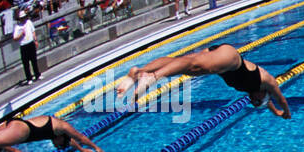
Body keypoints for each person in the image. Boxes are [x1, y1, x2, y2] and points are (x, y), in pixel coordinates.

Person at [116, 43, 291, 118]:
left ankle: (139, 72)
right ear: (265, 94)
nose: (253, 101)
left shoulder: (256, 93)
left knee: (183, 66)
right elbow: (280, 99)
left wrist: (274, 112)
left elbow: (266, 102)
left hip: (219, 62)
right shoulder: (267, 81)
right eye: (257, 100)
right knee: (192, 64)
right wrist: (285, 112)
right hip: (230, 58)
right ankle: (151, 78)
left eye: (254, 103)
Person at [13, 9, 40, 83]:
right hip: (24, 45)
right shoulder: (18, 27)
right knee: (26, 63)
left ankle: (37, 74)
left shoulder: (29, 22)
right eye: (22, 18)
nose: (24, 19)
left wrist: (35, 40)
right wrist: (21, 34)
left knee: (34, 60)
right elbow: (15, 38)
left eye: (24, 17)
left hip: (30, 43)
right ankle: (29, 78)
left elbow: (33, 31)